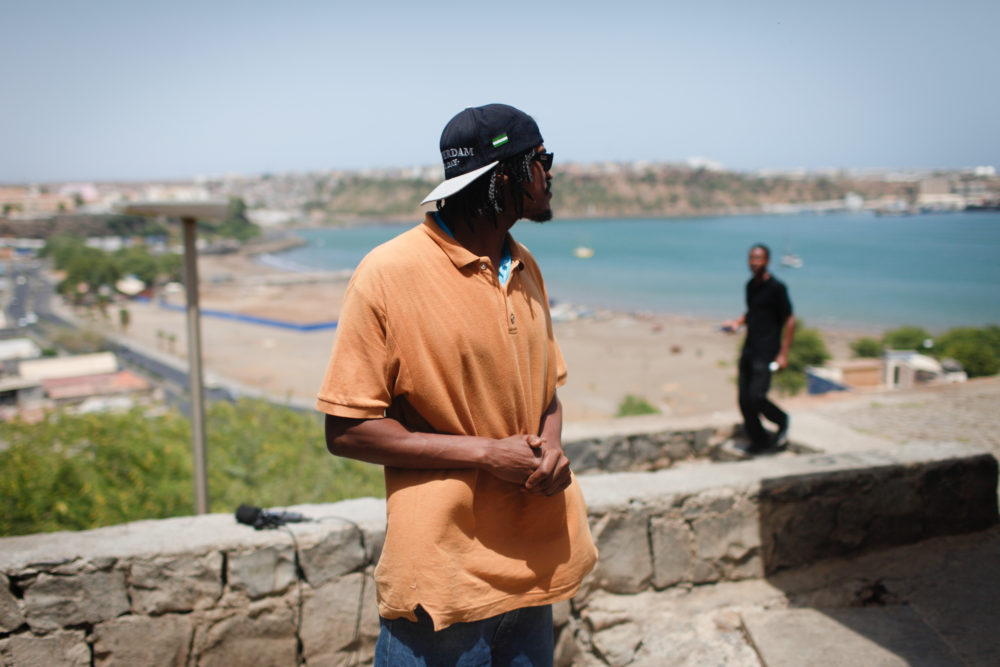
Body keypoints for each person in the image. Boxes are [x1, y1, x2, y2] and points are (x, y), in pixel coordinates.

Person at [316, 103, 598, 666]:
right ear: (504, 178)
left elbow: (546, 396)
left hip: (531, 570)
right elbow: (346, 430)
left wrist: (553, 449)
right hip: (443, 582)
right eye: (542, 160)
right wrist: (488, 455)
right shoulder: (388, 273)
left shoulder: (525, 266)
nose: (551, 174)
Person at [722, 243, 796, 453]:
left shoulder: (777, 288)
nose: (755, 263)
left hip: (767, 351)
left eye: (759, 259)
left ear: (767, 261)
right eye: (752, 259)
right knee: (744, 400)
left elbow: (789, 319)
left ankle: (782, 420)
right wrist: (737, 323)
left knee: (756, 396)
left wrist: (783, 353)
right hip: (749, 348)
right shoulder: (750, 286)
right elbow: (753, 312)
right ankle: (759, 441)